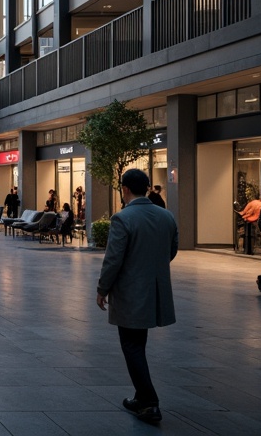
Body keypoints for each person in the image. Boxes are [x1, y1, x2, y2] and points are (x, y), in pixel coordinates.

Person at [96, 169, 178, 425]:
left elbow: (113, 259)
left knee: (131, 344)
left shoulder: (123, 218)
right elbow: (171, 251)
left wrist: (102, 289)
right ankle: (141, 397)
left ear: (126, 189)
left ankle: (149, 401)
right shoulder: (166, 216)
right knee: (138, 344)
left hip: (131, 292)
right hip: (156, 290)